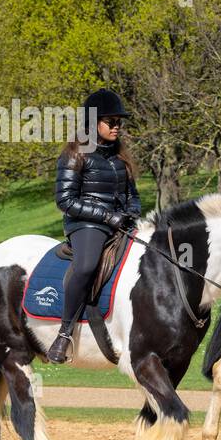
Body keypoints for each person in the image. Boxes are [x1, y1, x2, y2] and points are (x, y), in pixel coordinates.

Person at [48, 88, 141, 364]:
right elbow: (65, 200)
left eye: (119, 122)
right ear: (92, 123)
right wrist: (106, 216)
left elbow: (132, 196)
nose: (117, 127)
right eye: (110, 122)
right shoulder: (75, 154)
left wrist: (131, 213)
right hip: (85, 224)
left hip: (119, 223)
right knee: (87, 264)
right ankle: (64, 333)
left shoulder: (120, 158)